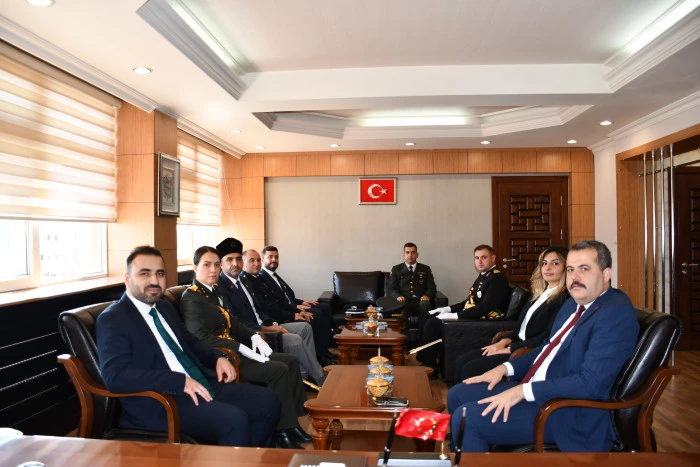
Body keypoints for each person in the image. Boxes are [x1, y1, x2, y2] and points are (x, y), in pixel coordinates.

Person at [447, 240, 639, 452]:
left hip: (566, 412)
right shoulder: (573, 303)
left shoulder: (615, 314)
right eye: (570, 270)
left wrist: (522, 391)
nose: (575, 277)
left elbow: (591, 384)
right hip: (540, 390)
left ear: (606, 274)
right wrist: (504, 369)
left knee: (468, 419)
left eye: (584, 269)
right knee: (457, 394)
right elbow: (546, 348)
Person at [96, 246, 280, 447]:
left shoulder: (163, 306)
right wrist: (179, 381)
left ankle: (246, 457)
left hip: (199, 381)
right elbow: (115, 377)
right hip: (162, 400)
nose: (155, 281)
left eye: (160, 273)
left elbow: (190, 341)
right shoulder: (113, 318)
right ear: (127, 279)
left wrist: (216, 357)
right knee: (234, 420)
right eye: (145, 274)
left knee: (267, 402)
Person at [179, 245, 311, 449]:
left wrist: (254, 336)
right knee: (278, 370)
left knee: (291, 361)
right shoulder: (191, 298)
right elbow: (201, 338)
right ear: (195, 267)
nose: (213, 270)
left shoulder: (214, 292)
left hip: (235, 351)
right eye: (207, 265)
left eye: (216, 265)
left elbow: (233, 323)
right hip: (221, 359)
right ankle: (281, 431)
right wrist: (239, 347)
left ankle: (293, 423)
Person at [215, 238, 327, 386]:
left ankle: (304, 375)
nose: (235, 263)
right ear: (221, 264)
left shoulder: (245, 282)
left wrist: (273, 323)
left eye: (238, 259)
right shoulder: (220, 288)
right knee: (294, 340)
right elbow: (235, 321)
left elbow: (259, 310)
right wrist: (268, 328)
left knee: (305, 328)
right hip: (253, 332)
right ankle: (320, 379)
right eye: (229, 260)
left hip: (266, 324)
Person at [454, 246, 570, 381]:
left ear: (566, 268)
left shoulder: (563, 300)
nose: (547, 268)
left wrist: (510, 348)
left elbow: (546, 337)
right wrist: (503, 342)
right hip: (515, 344)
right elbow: (521, 327)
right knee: (461, 360)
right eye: (544, 263)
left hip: (528, 351)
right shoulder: (539, 294)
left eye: (555, 263)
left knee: (470, 368)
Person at [417, 244, 510, 377]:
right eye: (477, 258)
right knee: (428, 315)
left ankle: (430, 366)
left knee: (433, 323)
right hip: (475, 314)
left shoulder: (497, 278)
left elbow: (485, 308)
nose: (480, 261)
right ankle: (425, 360)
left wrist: (455, 315)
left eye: (484, 257)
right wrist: (446, 309)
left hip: (483, 319)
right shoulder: (484, 275)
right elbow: (468, 302)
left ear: (493, 258)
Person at [240, 249, 331, 368]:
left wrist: (298, 305)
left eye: (257, 260)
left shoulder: (257, 279)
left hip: (273, 318)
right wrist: (294, 313)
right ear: (243, 263)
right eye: (252, 260)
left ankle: (315, 361)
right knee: (314, 316)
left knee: (322, 308)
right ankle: (317, 362)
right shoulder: (250, 281)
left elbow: (280, 300)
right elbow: (268, 307)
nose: (256, 264)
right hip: (269, 322)